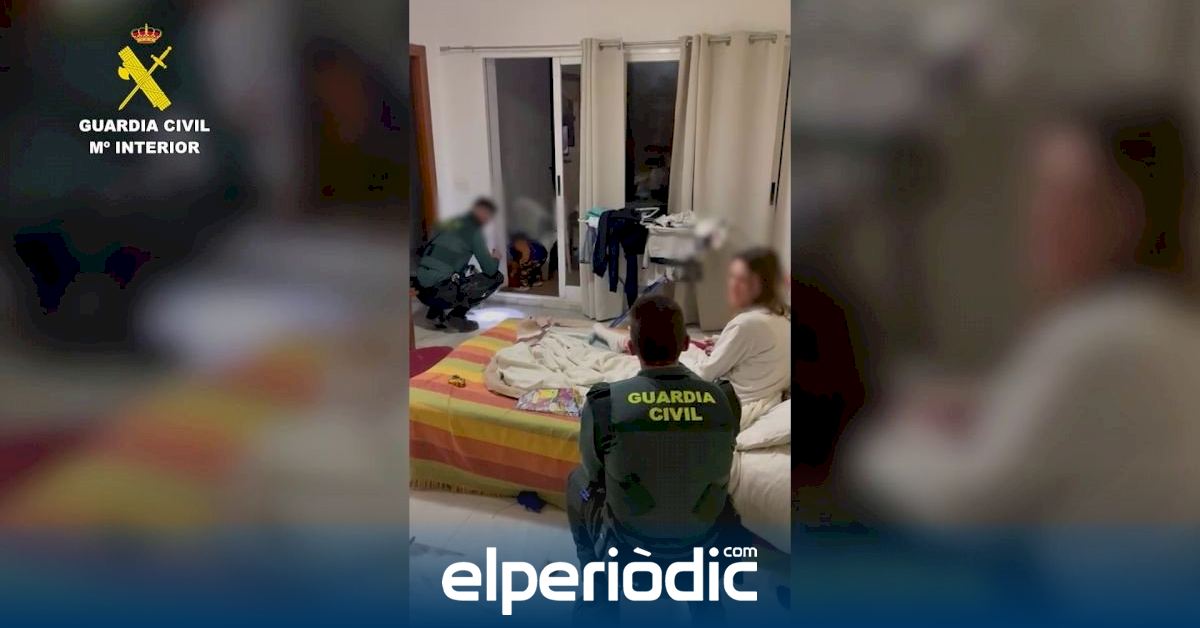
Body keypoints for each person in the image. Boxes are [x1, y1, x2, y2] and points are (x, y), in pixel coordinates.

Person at [566, 295, 742, 620]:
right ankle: (706, 598)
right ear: (686, 343)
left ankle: (598, 591)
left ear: (632, 347)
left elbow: (594, 473)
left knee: (577, 482)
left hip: (630, 539)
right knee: (722, 492)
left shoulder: (605, 403)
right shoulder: (724, 398)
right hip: (704, 536)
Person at [592, 247, 791, 423]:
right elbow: (754, 352)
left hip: (729, 400)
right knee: (678, 348)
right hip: (753, 392)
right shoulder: (781, 317)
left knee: (656, 359)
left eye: (743, 281)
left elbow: (705, 374)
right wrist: (718, 344)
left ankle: (618, 339)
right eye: (733, 277)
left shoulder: (746, 324)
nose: (733, 285)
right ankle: (617, 338)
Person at [414, 197, 504, 332]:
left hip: (420, 291)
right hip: (440, 293)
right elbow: (490, 270)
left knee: (450, 273)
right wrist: (496, 258)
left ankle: (434, 314)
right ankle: (457, 317)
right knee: (497, 277)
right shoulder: (473, 231)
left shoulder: (447, 225)